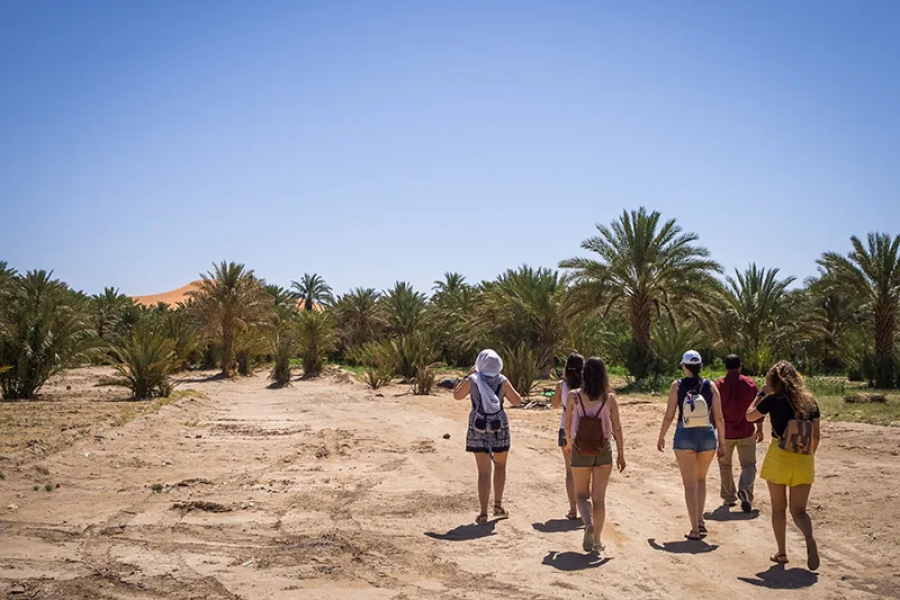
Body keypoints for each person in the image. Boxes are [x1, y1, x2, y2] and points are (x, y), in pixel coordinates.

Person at [747, 360, 821, 570]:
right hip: (804, 458)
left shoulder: (773, 400)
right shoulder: (810, 401)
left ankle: (781, 553)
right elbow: (816, 435)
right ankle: (808, 538)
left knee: (778, 508)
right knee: (799, 511)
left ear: (773, 381)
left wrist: (760, 394)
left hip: (779, 456)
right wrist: (808, 455)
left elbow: (749, 415)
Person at [657, 350, 726, 541]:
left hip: (684, 434)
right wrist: (723, 443)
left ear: (684, 366)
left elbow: (670, 415)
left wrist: (661, 436)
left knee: (689, 485)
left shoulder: (676, 386)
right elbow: (719, 417)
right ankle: (701, 520)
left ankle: (695, 528)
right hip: (707, 435)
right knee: (701, 480)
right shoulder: (711, 386)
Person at [453, 349, 523, 524]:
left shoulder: (473, 380)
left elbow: (457, 396)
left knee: (483, 472)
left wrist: (467, 376)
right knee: (500, 466)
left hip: (478, 427)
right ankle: (498, 505)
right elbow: (517, 401)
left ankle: (483, 512)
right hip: (499, 427)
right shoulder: (502, 381)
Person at [564, 357, 626, 553]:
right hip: (603, 449)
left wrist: (568, 443)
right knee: (599, 499)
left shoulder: (573, 396)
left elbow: (567, 425)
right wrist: (621, 454)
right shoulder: (609, 398)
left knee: (581, 495)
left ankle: (588, 523)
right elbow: (617, 428)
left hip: (580, 448)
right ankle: (597, 540)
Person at [715, 354, 764, 512]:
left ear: (725, 367)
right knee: (749, 465)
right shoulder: (750, 384)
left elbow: (713, 409)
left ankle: (729, 498)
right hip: (746, 430)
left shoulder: (720, 385)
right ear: (740, 366)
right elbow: (758, 408)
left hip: (726, 433)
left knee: (725, 464)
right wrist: (760, 429)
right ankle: (745, 490)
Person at [550, 353, 585, 520]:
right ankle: (586, 507)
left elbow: (554, 404)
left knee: (570, 471)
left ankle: (573, 509)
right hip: (585, 429)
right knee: (586, 470)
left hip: (566, 429)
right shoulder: (588, 385)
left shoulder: (561, 385)